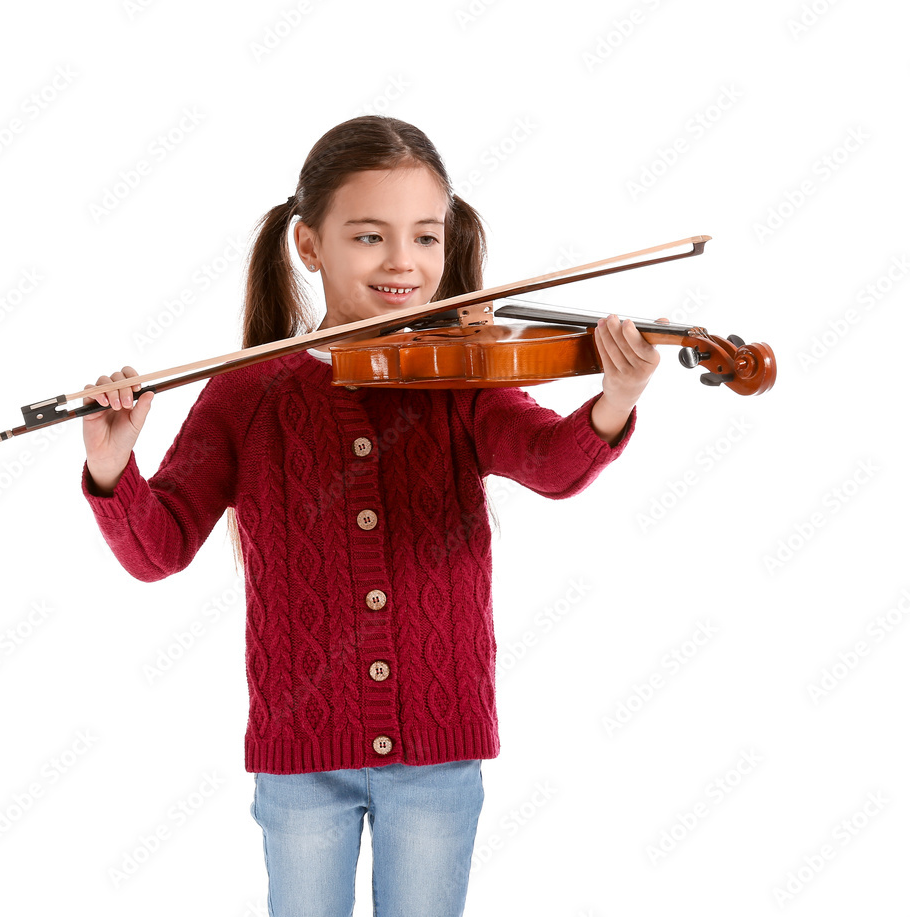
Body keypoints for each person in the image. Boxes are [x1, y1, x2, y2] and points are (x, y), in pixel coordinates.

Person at [80, 115, 662, 917]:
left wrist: (615, 397)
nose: (403, 262)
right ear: (310, 245)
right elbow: (160, 548)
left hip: (438, 745)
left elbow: (551, 463)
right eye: (368, 236)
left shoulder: (461, 374)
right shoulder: (250, 390)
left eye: (426, 237)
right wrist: (114, 468)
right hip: (300, 752)